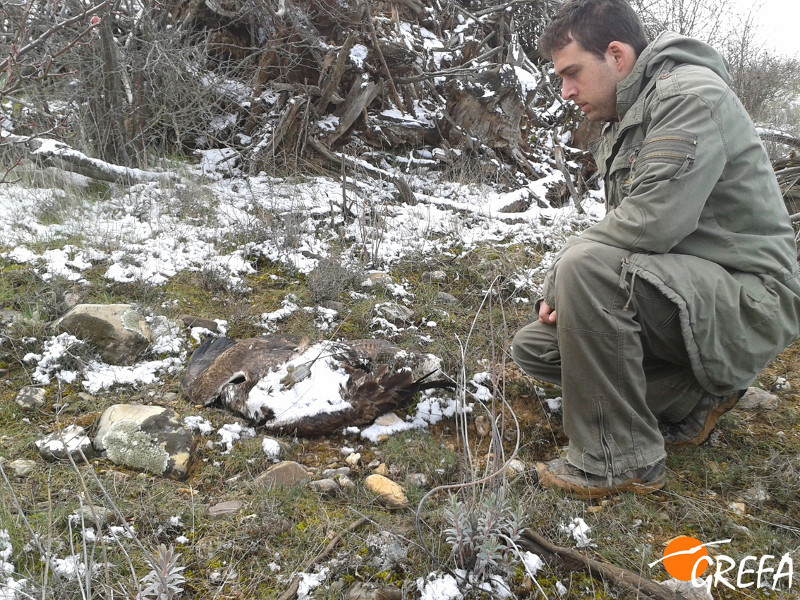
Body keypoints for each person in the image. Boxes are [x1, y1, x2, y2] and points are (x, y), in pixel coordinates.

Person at [512, 0, 800, 499]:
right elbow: (628, 230)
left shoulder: (689, 96)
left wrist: (561, 275)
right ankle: (695, 396)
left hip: (750, 300)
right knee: (537, 349)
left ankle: (619, 461)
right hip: (691, 293)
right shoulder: (631, 115)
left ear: (618, 56)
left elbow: (651, 223)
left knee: (584, 271)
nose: (566, 91)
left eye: (573, 73)